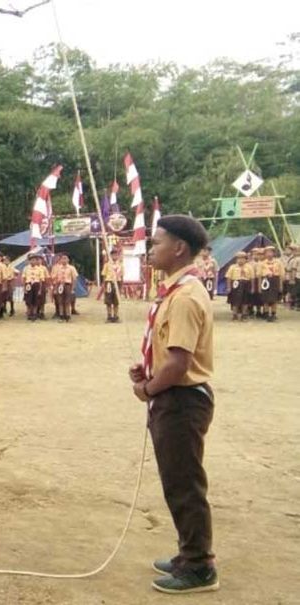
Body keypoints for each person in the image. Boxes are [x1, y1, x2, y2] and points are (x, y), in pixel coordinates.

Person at [129, 214, 218, 594]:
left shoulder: (184, 296)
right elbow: (171, 352)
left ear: (179, 248)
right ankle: (188, 553)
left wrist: (149, 388)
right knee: (178, 481)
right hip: (174, 394)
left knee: (184, 484)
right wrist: (148, 369)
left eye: (157, 242)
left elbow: (180, 363)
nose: (151, 249)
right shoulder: (175, 290)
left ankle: (199, 566)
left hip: (180, 399)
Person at [258, 246, 285, 322]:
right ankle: (266, 314)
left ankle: (273, 314)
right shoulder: (262, 263)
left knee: (274, 299)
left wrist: (280, 285)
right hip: (265, 281)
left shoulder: (278, 262)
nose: (269, 254)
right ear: (265, 254)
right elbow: (259, 276)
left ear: (274, 253)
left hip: (275, 281)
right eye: (267, 252)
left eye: (271, 252)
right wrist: (259, 287)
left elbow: (281, 275)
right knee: (266, 299)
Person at [225, 251, 252, 321]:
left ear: (246, 259)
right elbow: (229, 277)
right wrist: (228, 287)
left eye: (243, 258)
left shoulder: (249, 267)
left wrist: (252, 287)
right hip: (236, 284)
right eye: (239, 258)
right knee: (235, 300)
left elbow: (252, 278)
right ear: (236, 259)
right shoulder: (232, 267)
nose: (240, 260)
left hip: (246, 284)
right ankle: (234, 314)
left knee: (245, 300)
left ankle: (244, 314)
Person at [52, 254, 79, 322]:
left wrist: (72, 289)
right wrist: (55, 288)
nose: (64, 260)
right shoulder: (58, 268)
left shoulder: (71, 268)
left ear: (68, 260)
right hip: (60, 285)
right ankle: (61, 316)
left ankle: (67, 316)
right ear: (60, 260)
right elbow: (55, 279)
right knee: (60, 301)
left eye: (65, 258)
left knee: (67, 302)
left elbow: (74, 279)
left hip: (67, 285)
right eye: (62, 259)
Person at [22, 253, 48, 321]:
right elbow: (24, 278)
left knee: (36, 300)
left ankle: (34, 314)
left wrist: (40, 289)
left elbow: (41, 280)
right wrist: (24, 287)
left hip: (36, 285)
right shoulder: (26, 268)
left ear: (36, 261)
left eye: (34, 260)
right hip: (28, 285)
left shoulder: (40, 269)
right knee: (29, 300)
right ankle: (29, 314)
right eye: (31, 260)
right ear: (29, 261)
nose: (33, 261)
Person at [102, 248, 123, 323]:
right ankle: (109, 316)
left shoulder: (120, 265)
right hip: (109, 283)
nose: (114, 256)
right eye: (113, 255)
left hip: (117, 282)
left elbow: (122, 276)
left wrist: (121, 287)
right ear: (110, 255)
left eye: (116, 255)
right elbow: (104, 275)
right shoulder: (107, 265)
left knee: (116, 301)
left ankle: (116, 316)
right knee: (108, 301)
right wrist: (104, 286)